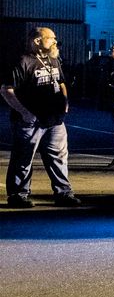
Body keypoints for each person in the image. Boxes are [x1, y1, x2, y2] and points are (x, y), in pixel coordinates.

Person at [3, 26, 81, 207]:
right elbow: (6, 90)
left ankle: (64, 193)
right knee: (23, 158)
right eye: (51, 38)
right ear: (37, 41)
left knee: (59, 157)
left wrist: (65, 102)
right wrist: (25, 113)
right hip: (30, 122)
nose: (55, 41)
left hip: (55, 120)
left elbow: (61, 82)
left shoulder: (53, 60)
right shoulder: (23, 61)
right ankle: (18, 195)